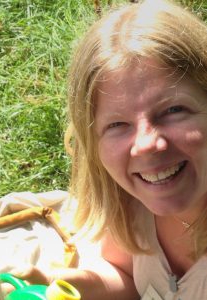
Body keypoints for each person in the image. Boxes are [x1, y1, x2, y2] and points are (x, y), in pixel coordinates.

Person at [13, 0, 207, 299]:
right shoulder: (129, 204)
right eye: (117, 125)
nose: (146, 144)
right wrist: (74, 285)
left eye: (173, 110)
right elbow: (127, 274)